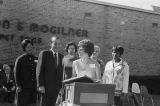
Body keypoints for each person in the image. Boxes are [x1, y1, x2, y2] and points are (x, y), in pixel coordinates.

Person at [36, 36, 64, 106]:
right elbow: (39, 70)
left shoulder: (62, 57)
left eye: (59, 44)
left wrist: (61, 87)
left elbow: (61, 74)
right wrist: (40, 85)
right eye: (55, 43)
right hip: (45, 88)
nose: (57, 46)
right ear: (50, 44)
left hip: (56, 90)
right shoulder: (44, 54)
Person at [14, 39, 38, 106]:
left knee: (32, 104)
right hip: (23, 88)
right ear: (24, 48)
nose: (30, 48)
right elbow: (16, 73)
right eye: (28, 47)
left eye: (31, 47)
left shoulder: (36, 59)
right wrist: (18, 85)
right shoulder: (20, 59)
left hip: (33, 88)